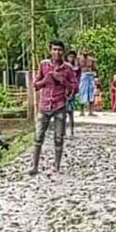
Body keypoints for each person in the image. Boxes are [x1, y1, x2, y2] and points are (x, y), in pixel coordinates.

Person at [30, 39, 78, 175]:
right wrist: (46, 79)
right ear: (50, 50)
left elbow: (75, 87)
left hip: (59, 105)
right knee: (38, 136)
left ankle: (57, 166)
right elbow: (35, 85)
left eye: (60, 50)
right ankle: (34, 166)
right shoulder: (43, 65)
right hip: (44, 105)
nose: (57, 52)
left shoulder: (68, 68)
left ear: (63, 52)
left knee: (58, 137)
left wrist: (63, 81)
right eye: (54, 49)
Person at [66, 50, 81, 137]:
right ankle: (62, 130)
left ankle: (71, 130)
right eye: (70, 57)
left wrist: (75, 89)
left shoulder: (76, 68)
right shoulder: (63, 67)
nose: (71, 59)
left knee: (71, 111)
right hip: (63, 91)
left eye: (73, 57)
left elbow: (77, 79)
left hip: (72, 91)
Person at [78, 50, 97, 116]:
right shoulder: (79, 59)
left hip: (90, 75)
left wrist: (96, 77)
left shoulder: (92, 59)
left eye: (87, 50)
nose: (85, 52)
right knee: (82, 92)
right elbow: (76, 68)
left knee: (91, 93)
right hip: (82, 76)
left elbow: (94, 68)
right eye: (84, 50)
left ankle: (91, 111)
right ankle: (82, 111)